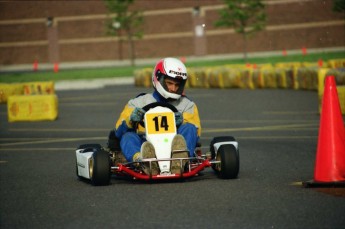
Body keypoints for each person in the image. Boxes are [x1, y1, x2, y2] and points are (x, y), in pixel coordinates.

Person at [111, 57, 201, 175]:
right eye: (169, 83)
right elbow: (118, 131)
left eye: (177, 85)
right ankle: (143, 162)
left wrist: (181, 121)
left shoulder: (187, 105)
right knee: (128, 136)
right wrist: (131, 120)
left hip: (174, 145)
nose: (173, 89)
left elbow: (196, 134)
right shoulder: (138, 102)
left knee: (189, 128)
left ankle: (180, 161)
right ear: (158, 79)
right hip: (145, 144)